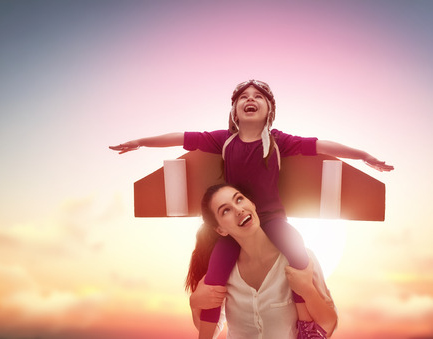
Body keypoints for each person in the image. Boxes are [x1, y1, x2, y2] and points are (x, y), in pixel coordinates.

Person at [109, 80, 393, 338]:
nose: (250, 99)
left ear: (270, 110)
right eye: (243, 96)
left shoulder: (279, 141)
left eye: (259, 96)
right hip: (237, 227)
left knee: (297, 255)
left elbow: (321, 146)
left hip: (272, 218)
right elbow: (181, 137)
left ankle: (306, 327)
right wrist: (141, 143)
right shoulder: (224, 140)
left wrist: (364, 156)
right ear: (234, 110)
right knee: (215, 277)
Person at [186, 183, 338, 338]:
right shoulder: (223, 272)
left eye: (239, 200)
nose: (238, 210)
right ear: (220, 229)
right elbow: (212, 328)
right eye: (226, 210)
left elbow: (329, 323)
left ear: (252, 204)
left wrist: (307, 290)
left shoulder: (301, 259)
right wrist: (195, 304)